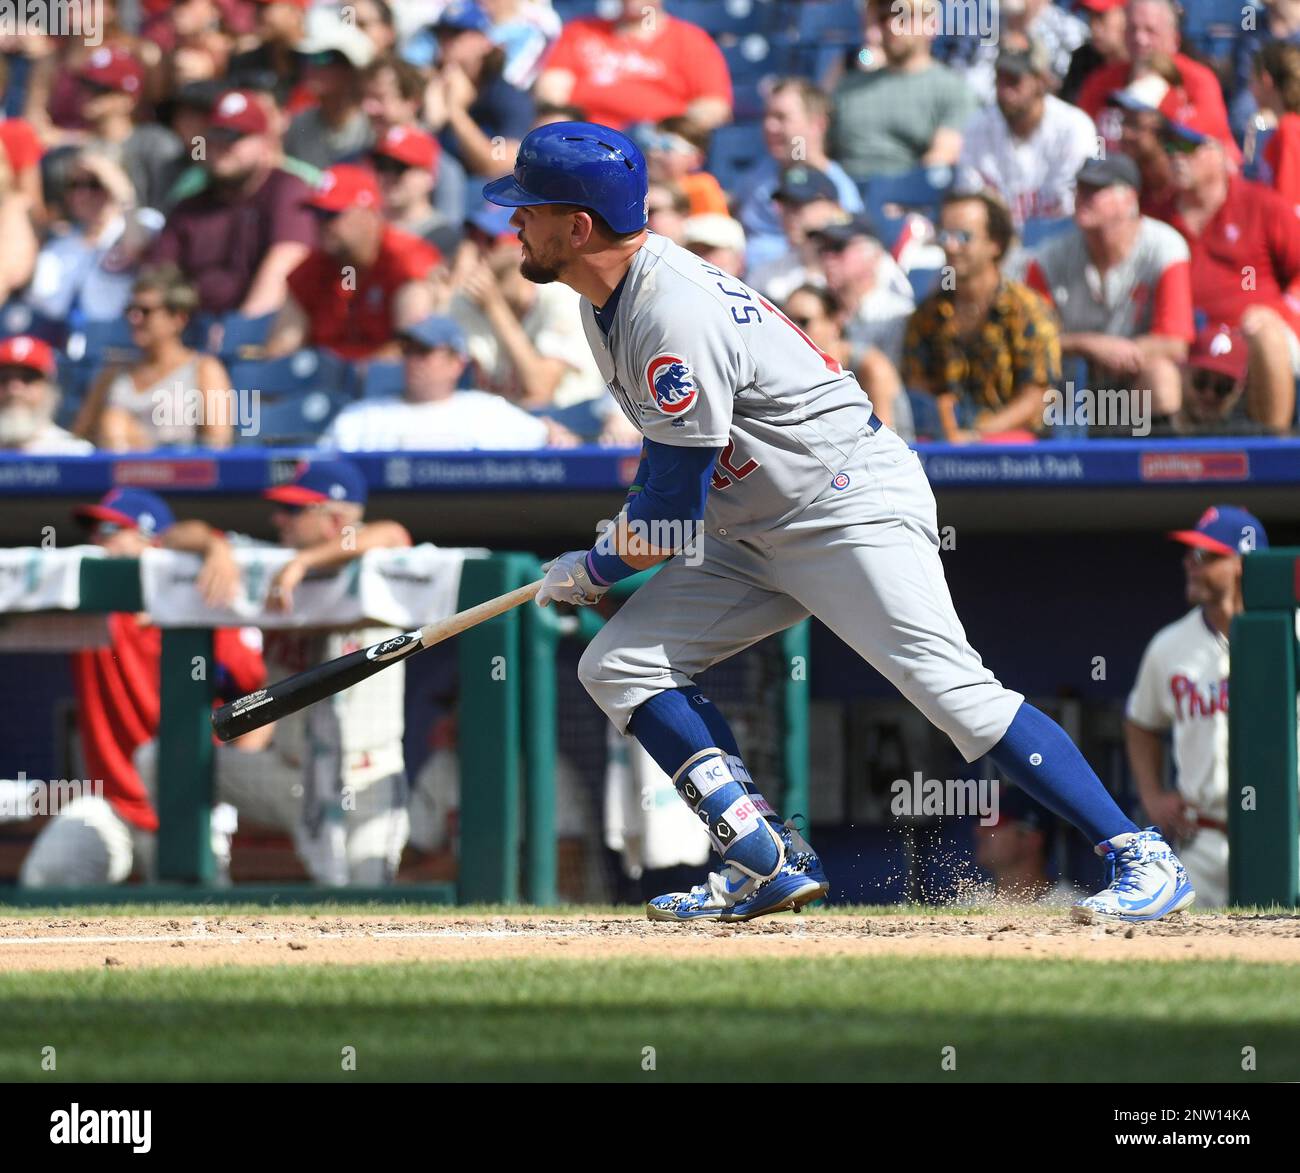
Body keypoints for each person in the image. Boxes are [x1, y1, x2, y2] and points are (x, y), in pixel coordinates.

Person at [483, 120, 1196, 924]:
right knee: (618, 665)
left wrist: (599, 566)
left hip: (844, 502)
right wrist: (616, 544)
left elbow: (671, 512)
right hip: (750, 525)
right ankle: (763, 858)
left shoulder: (667, 311)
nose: (515, 224)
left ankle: (1139, 852)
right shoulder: (603, 300)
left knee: (954, 694)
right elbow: (669, 458)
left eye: (529, 210)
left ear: (578, 227)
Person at [174, 461, 416, 885]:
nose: (279, 519)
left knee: (366, 896)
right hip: (289, 773)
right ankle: (208, 887)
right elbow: (174, 534)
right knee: (160, 761)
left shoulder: (379, 564)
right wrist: (216, 549)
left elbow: (392, 532)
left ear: (335, 520)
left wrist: (304, 562)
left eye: (295, 510)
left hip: (367, 774)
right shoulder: (268, 565)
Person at [19, 489, 266, 888]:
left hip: (186, 803)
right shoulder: (95, 611)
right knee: (48, 876)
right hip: (112, 805)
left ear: (152, 541)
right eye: (94, 532)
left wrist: (229, 790)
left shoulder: (203, 607)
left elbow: (257, 696)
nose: (98, 541)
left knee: (195, 915)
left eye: (112, 530)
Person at [1126, 507, 1279, 907]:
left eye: (1205, 556)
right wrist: (1152, 794)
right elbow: (1140, 722)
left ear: (1243, 564)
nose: (1189, 565)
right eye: (1189, 554)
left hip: (1286, 833)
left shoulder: (1291, 631)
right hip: (1205, 835)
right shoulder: (1169, 644)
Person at [1022, 154, 1192, 427]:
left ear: (1129, 199)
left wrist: (1118, 353)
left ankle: (1163, 466)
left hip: (1132, 379)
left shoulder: (1165, 247)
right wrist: (1088, 345)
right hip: (1066, 384)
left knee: (1161, 376)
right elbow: (1028, 340)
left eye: (1097, 190)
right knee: (1029, 391)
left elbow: (1174, 342)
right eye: (1081, 189)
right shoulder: (1048, 258)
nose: (1083, 197)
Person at [1157, 114, 1300, 434]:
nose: (1176, 156)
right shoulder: (1156, 214)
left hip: (1252, 340)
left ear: (1221, 152)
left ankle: (1273, 457)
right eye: (1169, 145)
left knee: (1268, 338)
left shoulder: (1260, 205)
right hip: (1186, 348)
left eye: (1187, 145)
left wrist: (1281, 313)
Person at [903, 189, 1061, 443]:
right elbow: (917, 388)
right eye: (945, 235)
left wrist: (977, 435)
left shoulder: (1028, 310)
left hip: (1015, 449)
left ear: (995, 244)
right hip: (944, 442)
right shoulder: (928, 315)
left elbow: (1036, 396)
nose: (951, 246)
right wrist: (946, 427)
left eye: (963, 236)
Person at [151, 87, 318, 317]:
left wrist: (239, 331)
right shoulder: (190, 205)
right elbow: (159, 278)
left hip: (260, 331)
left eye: (234, 136)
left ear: (265, 142)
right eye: (215, 135)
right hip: (192, 329)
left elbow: (287, 262)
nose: (221, 146)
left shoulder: (286, 188)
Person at [264, 164, 440, 361]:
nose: (322, 224)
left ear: (369, 214)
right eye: (317, 214)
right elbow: (281, 349)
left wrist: (353, 373)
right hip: (320, 385)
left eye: (331, 215)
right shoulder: (311, 268)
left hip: (387, 386)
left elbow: (412, 349)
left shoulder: (404, 258)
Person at [322, 314, 558, 451]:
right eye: (407, 350)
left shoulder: (486, 411)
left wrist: (552, 432)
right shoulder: (362, 417)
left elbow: (553, 441)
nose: (413, 360)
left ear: (457, 362)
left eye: (424, 351)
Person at [448, 208, 606, 411]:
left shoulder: (561, 298)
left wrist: (495, 308)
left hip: (571, 426)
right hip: (501, 428)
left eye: (488, 240)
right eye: (471, 239)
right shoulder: (465, 300)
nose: (474, 250)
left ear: (520, 245)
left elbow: (540, 391)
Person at [75, 265, 235, 450]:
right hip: (112, 471)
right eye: (130, 310)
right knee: (113, 420)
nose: (134, 319)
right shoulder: (112, 374)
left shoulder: (205, 370)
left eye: (145, 311)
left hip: (180, 472)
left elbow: (218, 443)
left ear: (178, 318)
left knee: (115, 422)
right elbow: (80, 436)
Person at [957, 35, 1099, 228]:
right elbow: (968, 201)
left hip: (1055, 240)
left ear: (1041, 81)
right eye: (1000, 79)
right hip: (997, 244)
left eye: (1014, 81)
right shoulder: (978, 125)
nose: (1005, 91)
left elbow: (1072, 211)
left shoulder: (1074, 127)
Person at [829, 0, 976, 183]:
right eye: (884, 17)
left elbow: (943, 158)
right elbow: (815, 145)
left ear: (931, 24)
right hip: (837, 200)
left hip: (905, 202)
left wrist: (899, 194)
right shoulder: (848, 85)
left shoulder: (953, 90)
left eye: (903, 16)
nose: (891, 24)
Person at [535, 0, 732, 132]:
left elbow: (714, 106)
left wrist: (667, 132)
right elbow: (552, 90)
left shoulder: (690, 40)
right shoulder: (580, 31)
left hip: (654, 147)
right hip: (587, 140)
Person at [737, 79, 866, 275]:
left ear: (817, 124)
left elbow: (846, 250)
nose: (769, 126)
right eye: (767, 117)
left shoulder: (836, 186)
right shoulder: (761, 172)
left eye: (781, 117)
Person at [1075, 0, 1235, 157]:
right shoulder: (1102, 82)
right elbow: (1086, 143)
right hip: (1118, 177)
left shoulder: (1197, 81)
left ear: (1174, 38)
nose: (1140, 39)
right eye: (1132, 29)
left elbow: (1200, 147)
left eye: (1150, 31)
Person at [25, 150, 156, 325]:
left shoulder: (142, 222)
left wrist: (124, 194)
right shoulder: (57, 245)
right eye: (74, 185)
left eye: (94, 184)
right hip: (58, 339)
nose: (82, 194)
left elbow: (138, 249)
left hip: (116, 340)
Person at [425, 1, 535, 179]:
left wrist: (455, 111)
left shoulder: (506, 96)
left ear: (484, 41)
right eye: (440, 35)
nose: (445, 43)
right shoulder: (432, 84)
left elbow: (500, 165)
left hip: (487, 197)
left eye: (456, 34)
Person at [782, 283, 908, 437]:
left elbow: (882, 439)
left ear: (835, 324)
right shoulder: (793, 370)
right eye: (787, 322)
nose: (794, 330)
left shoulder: (872, 368)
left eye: (803, 321)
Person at [73, 45, 184, 212]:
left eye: (100, 89)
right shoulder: (77, 150)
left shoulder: (157, 145)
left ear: (127, 99)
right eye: (85, 86)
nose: (87, 95)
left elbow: (165, 214)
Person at [808, 214, 915, 373]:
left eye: (838, 247)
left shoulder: (897, 314)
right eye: (823, 249)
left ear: (873, 255)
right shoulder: (812, 308)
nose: (828, 257)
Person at [282, 8, 376, 170]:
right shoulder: (299, 124)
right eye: (305, 58)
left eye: (323, 58)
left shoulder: (374, 126)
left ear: (352, 69)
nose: (310, 66)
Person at [969, 786, 1083, 906]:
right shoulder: (964, 908)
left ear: (1031, 839)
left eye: (994, 823)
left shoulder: (1075, 909)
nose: (979, 830)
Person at [0, 335, 92, 455]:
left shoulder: (74, 453)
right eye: (3, 378)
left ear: (50, 389)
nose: (14, 390)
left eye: (28, 378)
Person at [1175, 325, 1251, 435]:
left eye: (1223, 387)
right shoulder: (1153, 429)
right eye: (1201, 381)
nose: (1209, 395)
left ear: (1240, 388)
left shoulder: (1248, 439)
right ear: (1182, 372)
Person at [1251, 41, 1300, 206]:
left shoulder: (1290, 130)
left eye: (1253, 80)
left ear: (1266, 80)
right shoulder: (1283, 128)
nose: (1250, 88)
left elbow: (1288, 204)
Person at [1061, 0, 1128, 105]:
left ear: (1127, 15)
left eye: (1101, 16)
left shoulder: (1143, 66)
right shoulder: (1082, 60)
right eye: (1089, 16)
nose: (1093, 26)